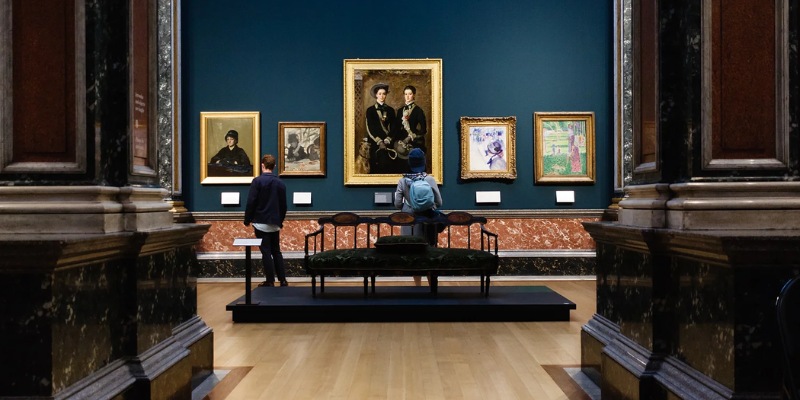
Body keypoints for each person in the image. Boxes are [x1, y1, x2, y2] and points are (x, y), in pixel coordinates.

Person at [393, 148, 443, 286]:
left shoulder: (403, 181)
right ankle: (431, 285)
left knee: (413, 255)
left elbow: (397, 204)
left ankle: (418, 286)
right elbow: (439, 202)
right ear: (424, 162)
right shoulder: (429, 179)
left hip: (409, 222)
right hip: (427, 222)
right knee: (428, 253)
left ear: (409, 163)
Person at [244, 154, 288, 287]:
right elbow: (284, 205)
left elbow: (251, 202)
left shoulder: (257, 181)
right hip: (275, 223)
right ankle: (283, 280)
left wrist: (247, 219)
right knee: (277, 251)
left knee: (266, 252)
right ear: (274, 167)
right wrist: (280, 220)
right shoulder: (280, 183)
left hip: (260, 222)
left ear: (262, 165)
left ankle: (270, 280)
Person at [365, 82, 398, 174]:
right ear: (376, 95)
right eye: (380, 94)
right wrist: (379, 141)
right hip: (376, 142)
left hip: (388, 142)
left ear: (386, 95)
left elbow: (394, 127)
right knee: (377, 166)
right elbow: (370, 127)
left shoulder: (390, 110)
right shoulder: (370, 110)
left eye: (384, 94)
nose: (382, 96)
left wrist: (388, 138)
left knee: (390, 166)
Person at [396, 85, 428, 156]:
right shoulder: (400, 111)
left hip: (414, 141)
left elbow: (423, 130)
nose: (407, 96)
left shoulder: (418, 110)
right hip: (401, 141)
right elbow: (397, 128)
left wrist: (410, 137)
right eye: (406, 94)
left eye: (410, 94)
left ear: (414, 95)